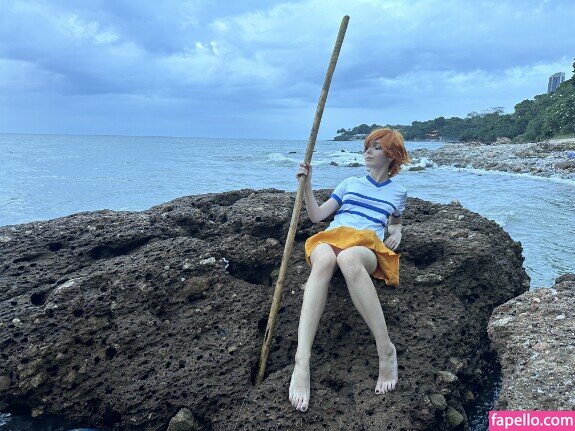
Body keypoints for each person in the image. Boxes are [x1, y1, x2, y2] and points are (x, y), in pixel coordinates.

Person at [288, 128, 411, 412]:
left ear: (392, 155)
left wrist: (396, 232)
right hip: (333, 236)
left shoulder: (398, 192)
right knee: (324, 260)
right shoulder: (349, 183)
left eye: (376, 147)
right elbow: (317, 216)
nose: (368, 151)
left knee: (349, 259)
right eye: (367, 146)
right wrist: (307, 185)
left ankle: (386, 350)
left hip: (366, 246)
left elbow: (395, 220)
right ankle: (302, 361)